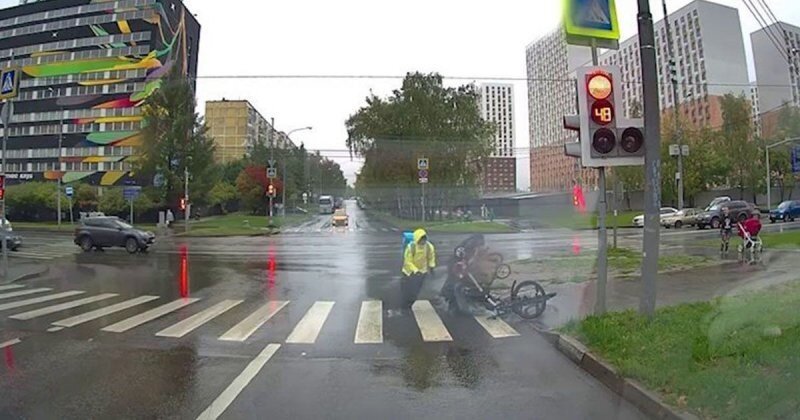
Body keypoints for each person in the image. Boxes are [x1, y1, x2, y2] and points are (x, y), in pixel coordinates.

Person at [401, 228, 436, 308]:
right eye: (421, 239)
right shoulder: (411, 247)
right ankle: (405, 305)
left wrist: (432, 267)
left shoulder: (429, 246)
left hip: (422, 272)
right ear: (417, 239)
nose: (423, 241)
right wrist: (415, 270)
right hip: (409, 272)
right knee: (407, 290)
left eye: (424, 239)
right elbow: (408, 261)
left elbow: (431, 257)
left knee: (416, 291)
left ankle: (410, 304)